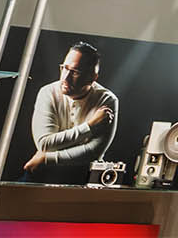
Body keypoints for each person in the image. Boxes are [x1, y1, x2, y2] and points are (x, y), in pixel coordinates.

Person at [23, 41, 119, 183]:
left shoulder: (107, 100)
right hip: (45, 172)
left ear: (92, 78)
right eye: (64, 68)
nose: (65, 78)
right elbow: (45, 144)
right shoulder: (48, 92)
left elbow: (94, 152)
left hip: (84, 174)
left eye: (74, 72)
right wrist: (90, 126)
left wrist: (45, 158)